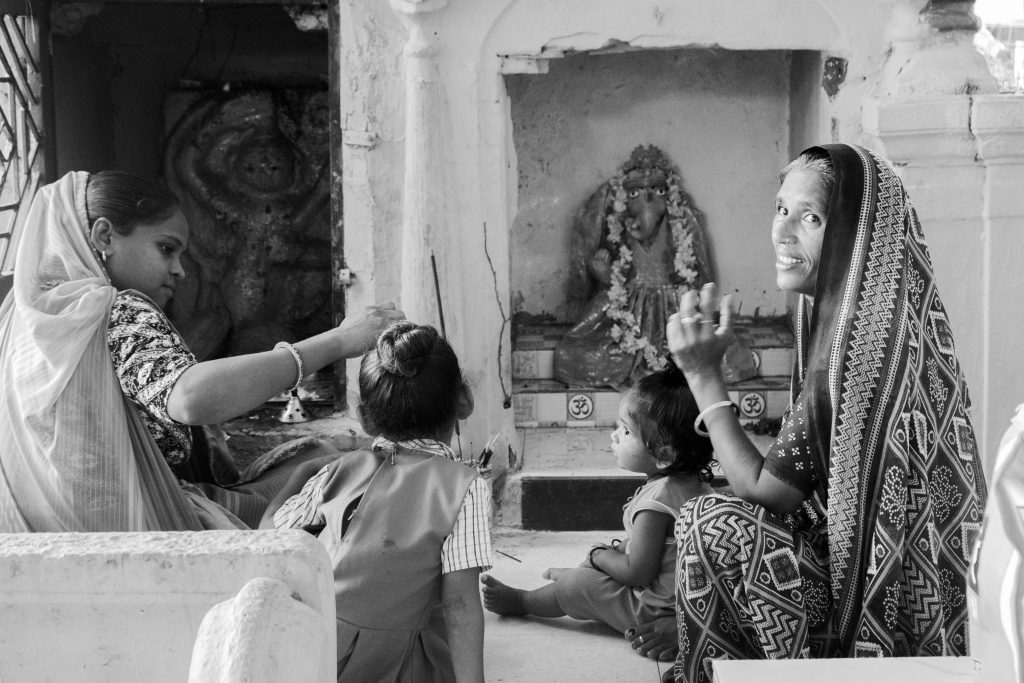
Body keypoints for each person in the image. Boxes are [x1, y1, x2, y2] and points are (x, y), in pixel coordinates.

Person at [661, 144, 987, 682]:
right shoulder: (879, 315)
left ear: (854, 234)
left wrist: (702, 377)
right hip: (923, 592)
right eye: (780, 208)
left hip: (883, 610)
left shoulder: (854, 347)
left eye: (810, 218)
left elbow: (767, 491)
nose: (782, 232)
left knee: (711, 523)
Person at [0, 170, 402, 532]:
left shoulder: (22, 325)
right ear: (105, 236)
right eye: (166, 248)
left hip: (48, 545)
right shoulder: (111, 310)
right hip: (141, 533)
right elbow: (191, 397)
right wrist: (337, 341)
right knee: (343, 465)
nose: (179, 270)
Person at [263, 321, 490, 683]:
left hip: (316, 656)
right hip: (403, 664)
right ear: (464, 400)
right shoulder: (465, 488)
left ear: (365, 417)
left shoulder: (335, 471)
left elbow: (268, 539)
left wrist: (299, 475)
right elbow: (460, 605)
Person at [480, 361, 714, 661]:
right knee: (606, 560)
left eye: (626, 431)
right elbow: (653, 554)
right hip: (689, 603)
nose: (615, 436)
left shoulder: (656, 504)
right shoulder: (695, 485)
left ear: (664, 455)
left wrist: (598, 556)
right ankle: (576, 579)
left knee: (579, 585)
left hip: (656, 612)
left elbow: (637, 573)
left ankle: (522, 601)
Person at [554, 145, 713, 388]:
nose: (648, 200)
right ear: (623, 198)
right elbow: (617, 279)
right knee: (576, 353)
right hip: (627, 307)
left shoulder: (679, 225)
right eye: (635, 193)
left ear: (670, 195)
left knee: (706, 350)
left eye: (658, 191)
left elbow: (694, 273)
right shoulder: (619, 227)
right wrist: (603, 273)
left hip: (671, 306)